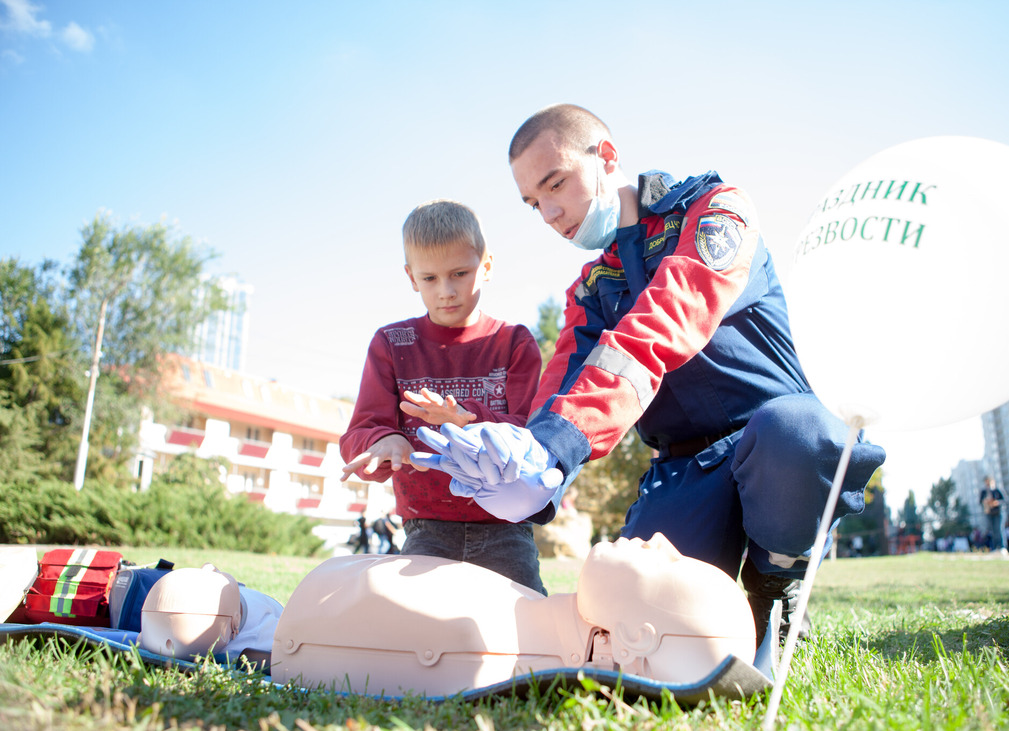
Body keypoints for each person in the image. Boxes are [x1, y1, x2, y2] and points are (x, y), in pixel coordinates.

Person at [412, 104, 886, 648]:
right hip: (686, 469)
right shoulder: (591, 288)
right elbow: (565, 382)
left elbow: (667, 319)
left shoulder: (715, 209)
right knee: (627, 610)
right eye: (532, 202)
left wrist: (557, 444)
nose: (547, 212)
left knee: (802, 433)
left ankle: (776, 581)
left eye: (555, 184)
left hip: (774, 446)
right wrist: (530, 458)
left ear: (606, 158)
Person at [339, 199, 546, 592]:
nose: (446, 291)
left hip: (507, 527)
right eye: (430, 278)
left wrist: (465, 419)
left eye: (460, 273)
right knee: (417, 638)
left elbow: (533, 435)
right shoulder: (391, 343)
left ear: (486, 266)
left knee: (528, 632)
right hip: (426, 528)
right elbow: (361, 430)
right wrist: (385, 440)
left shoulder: (513, 342)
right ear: (411, 277)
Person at [271, 533, 762, 697]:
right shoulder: (505, 613)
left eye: (670, 565)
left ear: (636, 636)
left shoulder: (473, 642)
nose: (661, 542)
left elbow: (303, 644)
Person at [979, 475, 1007, 553]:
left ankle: (1002, 547)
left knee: (999, 529)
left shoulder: (997, 490)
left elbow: (1004, 500)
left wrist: (996, 503)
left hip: (998, 512)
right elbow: (980, 502)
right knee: (992, 530)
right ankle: (995, 548)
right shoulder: (984, 492)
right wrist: (985, 502)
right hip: (989, 513)